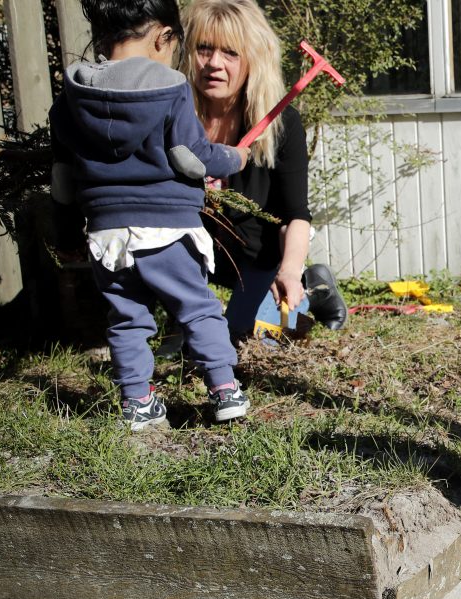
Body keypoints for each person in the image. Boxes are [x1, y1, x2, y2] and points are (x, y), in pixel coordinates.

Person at [49, 0, 252, 430]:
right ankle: (224, 389)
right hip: (167, 228)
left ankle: (137, 402)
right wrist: (234, 158)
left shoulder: (72, 95)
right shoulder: (169, 86)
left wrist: (67, 237)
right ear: (163, 36)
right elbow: (190, 157)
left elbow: (62, 180)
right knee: (197, 309)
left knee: (126, 319)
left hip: (107, 234)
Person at [181, 0, 347, 342]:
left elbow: (295, 214)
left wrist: (287, 269)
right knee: (199, 343)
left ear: (253, 60)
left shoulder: (281, 125)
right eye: (204, 48)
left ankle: (314, 287)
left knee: (259, 339)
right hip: (194, 256)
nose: (214, 63)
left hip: (259, 258)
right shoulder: (175, 120)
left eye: (230, 52)